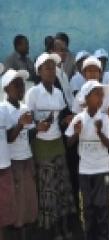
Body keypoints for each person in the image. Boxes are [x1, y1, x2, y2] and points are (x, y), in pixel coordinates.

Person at [25, 53, 76, 240]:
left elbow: (60, 117)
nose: (51, 71)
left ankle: (64, 225)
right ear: (39, 71)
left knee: (63, 185)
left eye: (53, 68)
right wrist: (37, 127)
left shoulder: (57, 92)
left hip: (57, 143)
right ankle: (52, 229)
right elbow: (26, 121)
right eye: (47, 68)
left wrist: (66, 120)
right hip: (42, 145)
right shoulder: (33, 93)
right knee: (48, 188)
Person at [66, 81, 109, 240]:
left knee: (103, 207)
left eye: (102, 95)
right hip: (85, 171)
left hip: (103, 170)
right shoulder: (79, 118)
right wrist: (77, 133)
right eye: (97, 94)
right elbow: (69, 143)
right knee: (87, 208)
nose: (101, 98)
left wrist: (99, 132)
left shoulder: (105, 119)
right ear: (86, 98)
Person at [2, 69, 38, 240]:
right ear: (6, 89)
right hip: (14, 160)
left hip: (26, 158)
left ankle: (26, 231)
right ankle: (18, 232)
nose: (20, 88)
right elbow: (8, 138)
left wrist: (38, 128)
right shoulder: (3, 109)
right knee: (17, 199)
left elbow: (29, 134)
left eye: (22, 84)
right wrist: (20, 124)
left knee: (29, 196)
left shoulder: (24, 107)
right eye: (16, 85)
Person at [0, 93, 16, 240]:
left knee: (3, 210)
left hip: (4, 165)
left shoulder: (3, 109)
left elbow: (10, 137)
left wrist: (22, 124)